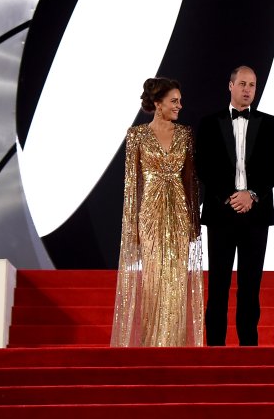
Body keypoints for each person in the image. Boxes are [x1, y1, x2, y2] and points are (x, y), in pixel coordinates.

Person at [195, 65, 274, 346]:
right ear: (230, 86)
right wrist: (230, 195)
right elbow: (203, 165)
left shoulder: (270, 122)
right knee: (218, 285)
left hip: (255, 215)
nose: (248, 90)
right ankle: (215, 350)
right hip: (221, 214)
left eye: (253, 85)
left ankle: (249, 348)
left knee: (250, 286)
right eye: (243, 84)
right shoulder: (210, 122)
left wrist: (252, 194)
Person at [111, 77, 203, 347]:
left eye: (180, 101)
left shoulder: (185, 134)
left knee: (176, 281)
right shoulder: (136, 135)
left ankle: (175, 346)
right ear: (157, 103)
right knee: (153, 280)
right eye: (174, 101)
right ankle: (152, 346)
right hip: (149, 214)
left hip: (178, 212)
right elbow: (132, 185)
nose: (179, 106)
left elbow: (190, 181)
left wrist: (193, 222)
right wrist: (132, 228)